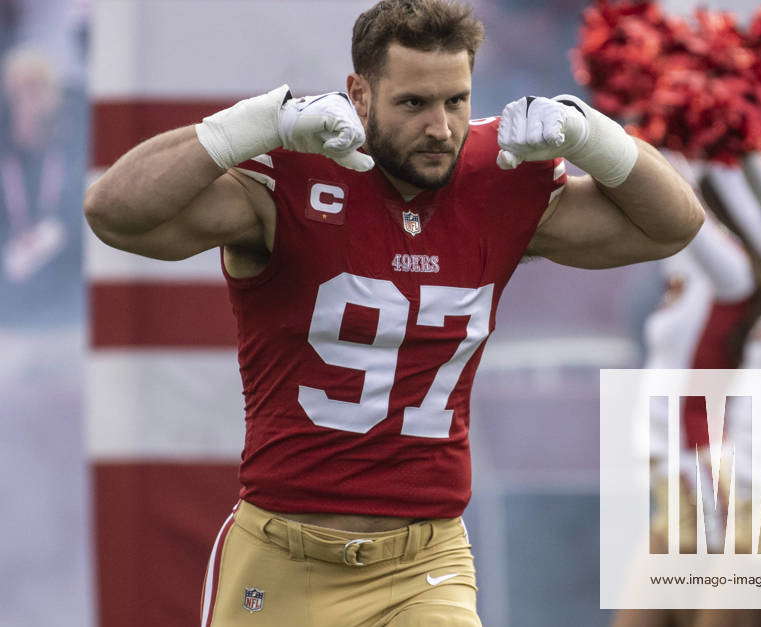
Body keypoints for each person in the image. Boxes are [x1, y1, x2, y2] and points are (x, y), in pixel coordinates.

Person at [82, 1, 704, 625]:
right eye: (413, 104)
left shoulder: (498, 181)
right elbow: (115, 212)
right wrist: (253, 126)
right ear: (359, 94)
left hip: (423, 564)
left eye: (455, 101)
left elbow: (672, 226)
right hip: (283, 554)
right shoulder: (298, 171)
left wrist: (593, 134)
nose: (440, 128)